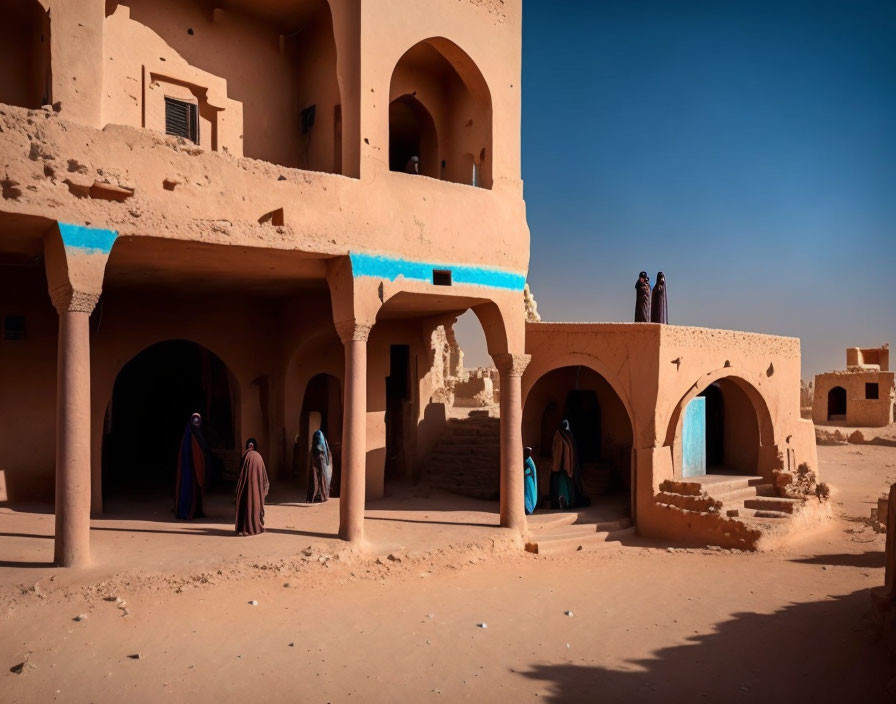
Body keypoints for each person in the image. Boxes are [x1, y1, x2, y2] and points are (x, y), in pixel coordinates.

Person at [235, 437, 270, 536]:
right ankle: (256, 526)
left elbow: (240, 475)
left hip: (246, 489)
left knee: (246, 505)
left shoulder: (245, 456)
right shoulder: (259, 457)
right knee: (255, 505)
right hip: (257, 490)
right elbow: (264, 478)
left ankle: (245, 527)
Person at [175, 412, 207, 520]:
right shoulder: (189, 436)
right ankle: (186, 511)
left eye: (198, 421)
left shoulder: (198, 434)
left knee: (196, 491)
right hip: (189, 470)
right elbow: (187, 454)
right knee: (188, 490)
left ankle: (196, 511)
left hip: (196, 469)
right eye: (194, 421)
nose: (196, 423)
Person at [550, 420, 577, 509]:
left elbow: (572, 449)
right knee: (561, 484)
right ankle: (561, 501)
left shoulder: (569, 434)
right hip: (559, 465)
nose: (564, 426)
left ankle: (568, 502)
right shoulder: (558, 434)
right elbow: (556, 448)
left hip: (568, 465)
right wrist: (559, 462)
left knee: (568, 484)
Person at [307, 429, 332, 503]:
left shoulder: (318, 435)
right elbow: (323, 448)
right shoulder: (319, 435)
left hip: (317, 459)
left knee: (316, 478)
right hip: (320, 459)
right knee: (320, 477)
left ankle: (316, 496)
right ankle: (321, 496)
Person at [523, 447, 538, 515]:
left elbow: (528, 471)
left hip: (528, 481)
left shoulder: (528, 461)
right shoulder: (529, 461)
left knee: (528, 495)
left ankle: (528, 508)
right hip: (529, 481)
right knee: (529, 495)